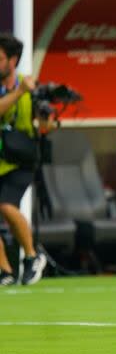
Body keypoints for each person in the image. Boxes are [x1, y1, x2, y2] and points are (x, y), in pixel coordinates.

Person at [0, 33, 48, 286]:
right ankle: (5, 271)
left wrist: (47, 119)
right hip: (0, 159)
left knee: (6, 205)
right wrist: (19, 92)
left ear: (12, 60)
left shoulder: (30, 88)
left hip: (21, 160)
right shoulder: (21, 89)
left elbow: (44, 124)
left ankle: (32, 255)